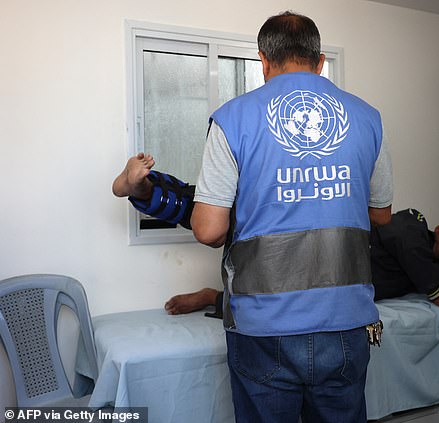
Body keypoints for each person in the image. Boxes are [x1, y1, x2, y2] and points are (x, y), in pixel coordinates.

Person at [114, 11, 393, 423]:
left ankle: (138, 188)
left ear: (263, 60)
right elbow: (381, 216)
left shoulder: (233, 118)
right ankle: (142, 189)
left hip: (265, 330)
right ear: (319, 62)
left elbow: (209, 230)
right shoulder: (368, 118)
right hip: (346, 322)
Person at [114, 160, 439, 318]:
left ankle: (214, 297)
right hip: (321, 247)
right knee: (216, 209)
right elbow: (401, 239)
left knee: (273, 296)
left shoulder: (433, 267)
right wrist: (434, 293)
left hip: (330, 280)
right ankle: (143, 186)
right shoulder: (413, 224)